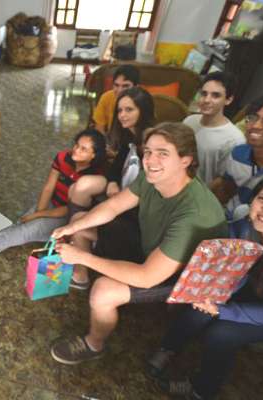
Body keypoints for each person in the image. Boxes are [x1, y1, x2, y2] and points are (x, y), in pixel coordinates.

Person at [49, 122, 228, 365]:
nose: (151, 160)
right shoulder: (153, 176)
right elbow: (113, 206)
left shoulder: (194, 215)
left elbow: (147, 277)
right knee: (81, 220)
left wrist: (81, 257)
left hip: (176, 276)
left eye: (163, 153)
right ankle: (82, 279)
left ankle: (94, 344)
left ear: (185, 160)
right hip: (150, 245)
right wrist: (72, 227)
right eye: (149, 152)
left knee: (103, 290)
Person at [147, 173, 263, 400]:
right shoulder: (244, 227)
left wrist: (223, 311)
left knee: (223, 332)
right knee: (201, 306)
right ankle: (168, 348)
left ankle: (201, 390)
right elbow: (224, 268)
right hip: (251, 291)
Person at [0, 129, 106, 268]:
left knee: (27, 230)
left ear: (94, 155)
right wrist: (39, 210)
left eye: (83, 149)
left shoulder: (93, 177)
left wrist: (38, 215)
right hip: (51, 203)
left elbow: (70, 208)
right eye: (76, 145)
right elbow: (49, 186)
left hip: (68, 215)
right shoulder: (62, 157)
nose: (76, 150)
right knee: (22, 222)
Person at [67, 86, 155, 288]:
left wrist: (119, 199)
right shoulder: (128, 137)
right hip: (122, 198)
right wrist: (113, 183)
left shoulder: (151, 146)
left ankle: (81, 271)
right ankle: (77, 241)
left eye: (129, 110)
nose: (122, 115)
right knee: (80, 187)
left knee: (80, 221)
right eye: (120, 110)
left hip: (134, 215)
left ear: (143, 110)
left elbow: (146, 194)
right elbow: (114, 169)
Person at [211, 92, 263, 221]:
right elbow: (226, 187)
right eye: (252, 117)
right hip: (228, 219)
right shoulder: (238, 153)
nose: (255, 125)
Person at [183, 71, 245, 185]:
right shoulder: (189, 121)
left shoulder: (235, 140)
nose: (206, 100)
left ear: (228, 99)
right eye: (204, 94)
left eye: (215, 95)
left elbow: (222, 183)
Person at [91, 64, 140, 134]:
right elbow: (99, 130)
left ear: (136, 87)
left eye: (125, 86)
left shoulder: (143, 100)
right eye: (116, 85)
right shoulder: (106, 98)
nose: (120, 90)